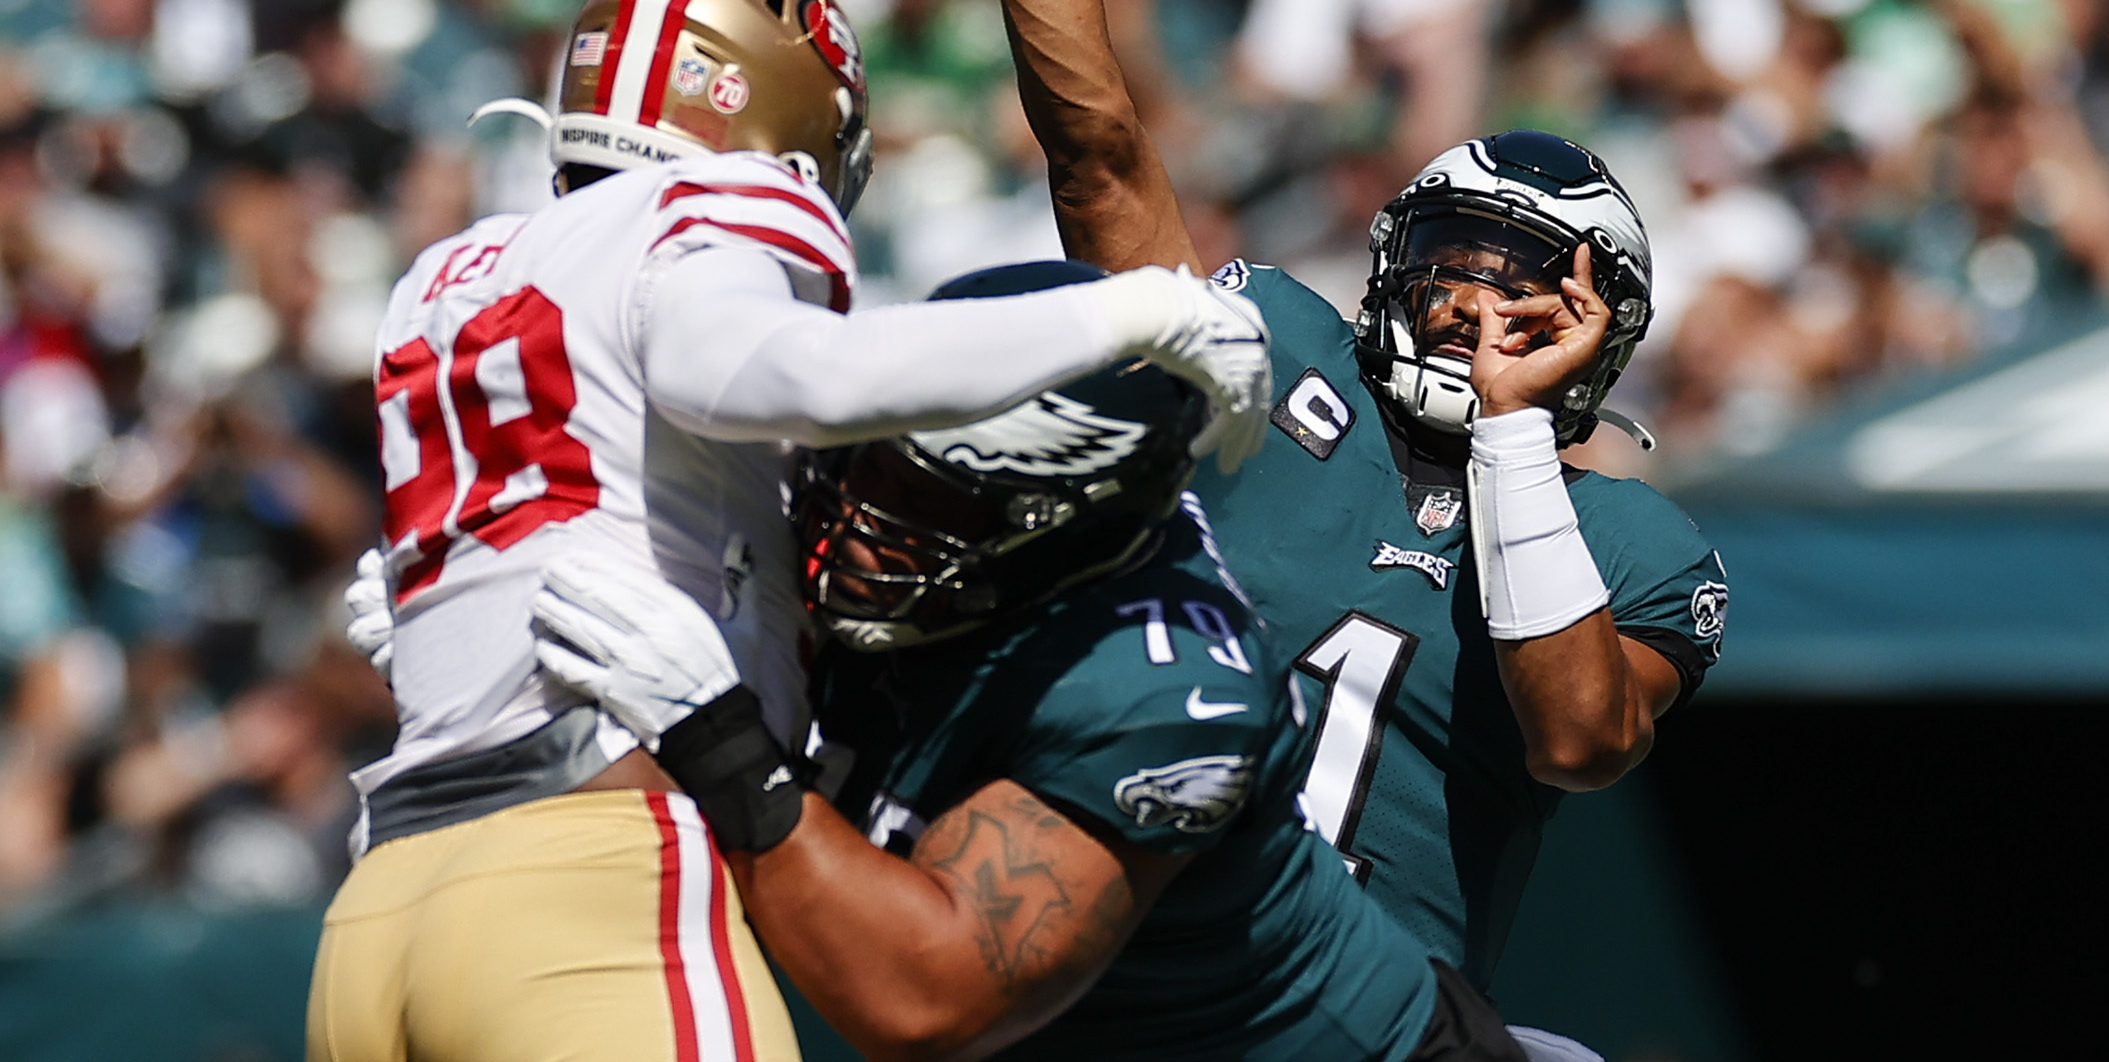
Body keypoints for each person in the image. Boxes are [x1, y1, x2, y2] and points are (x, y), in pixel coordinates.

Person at [307, 0, 1271, 1062]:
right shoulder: (710, 202)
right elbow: (774, 374)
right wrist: (1131, 314)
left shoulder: (453, 272)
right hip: (591, 877)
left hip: (380, 910)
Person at [946, 0, 1732, 989]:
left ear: (1601, 338)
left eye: (1525, 291)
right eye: (1449, 272)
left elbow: (1581, 742)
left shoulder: (1635, 543)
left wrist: (1513, 439)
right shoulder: (1278, 364)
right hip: (1123, 978)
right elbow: (1100, 168)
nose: (1476, 308)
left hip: (1375, 1019)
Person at [526, 260, 1540, 1062]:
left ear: (1062, 531)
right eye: (867, 460)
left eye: (932, 502)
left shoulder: (1165, 681)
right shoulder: (903, 557)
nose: (865, 523)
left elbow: (923, 1000)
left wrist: (716, 733)